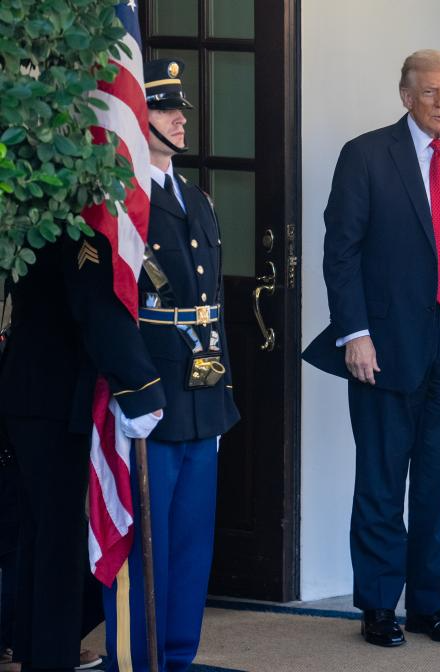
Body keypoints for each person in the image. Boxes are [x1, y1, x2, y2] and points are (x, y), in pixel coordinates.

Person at [302, 50, 440, 648]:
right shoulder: (367, 155)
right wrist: (355, 334)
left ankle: (431, 607)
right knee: (381, 481)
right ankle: (378, 606)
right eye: (429, 92)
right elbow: (340, 253)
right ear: (405, 95)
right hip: (384, 348)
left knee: (436, 485)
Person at [0, 147, 165, 672]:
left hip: (27, 390)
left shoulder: (34, 210)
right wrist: (138, 384)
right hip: (52, 398)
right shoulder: (79, 224)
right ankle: (49, 655)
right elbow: (94, 309)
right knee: (58, 538)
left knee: (36, 530)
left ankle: (28, 643)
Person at [100, 58, 240, 672]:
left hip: (201, 392)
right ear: (136, 116)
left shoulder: (197, 199)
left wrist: (219, 387)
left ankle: (179, 656)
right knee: (144, 547)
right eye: (163, 108)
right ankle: (138, 660)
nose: (180, 118)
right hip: (150, 393)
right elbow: (110, 308)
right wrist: (136, 391)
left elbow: (211, 307)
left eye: (179, 107)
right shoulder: (123, 203)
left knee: (189, 543)